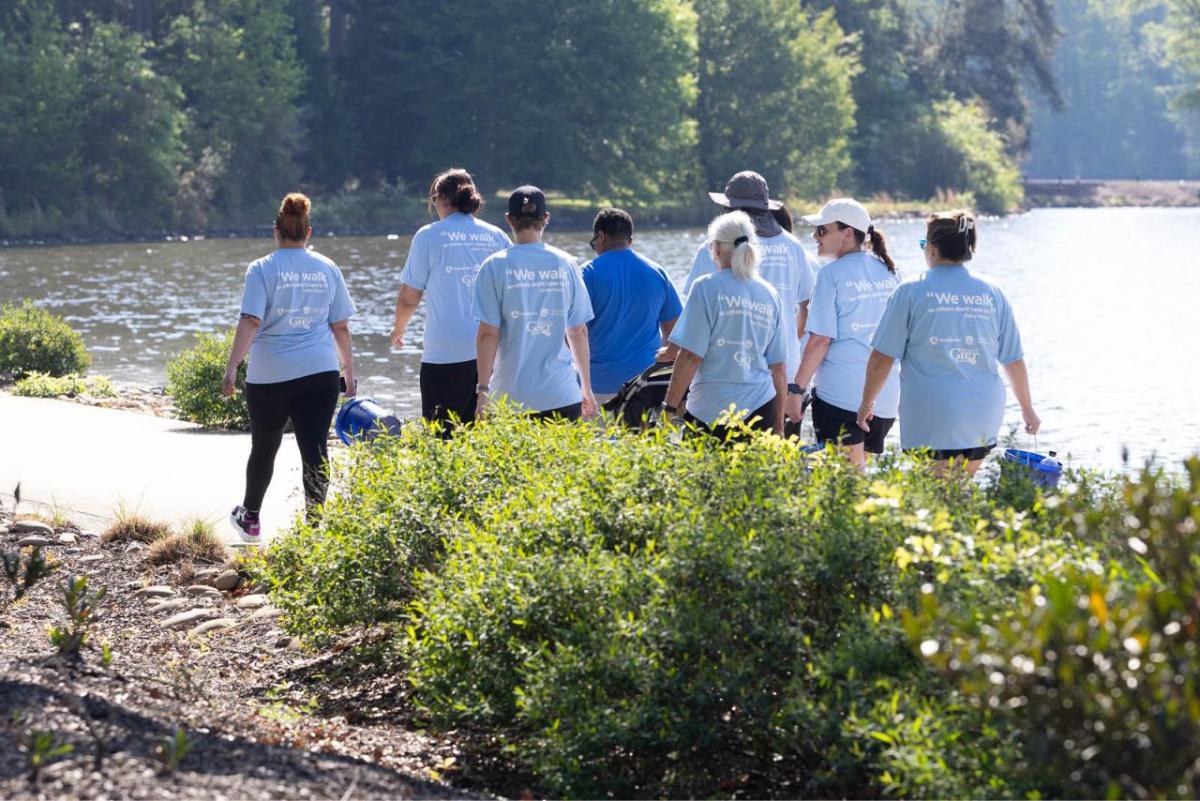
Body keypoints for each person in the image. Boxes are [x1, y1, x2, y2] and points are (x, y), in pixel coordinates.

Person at [857, 210, 1041, 476]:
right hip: (982, 413)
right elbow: (1013, 359)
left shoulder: (910, 291)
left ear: (931, 248)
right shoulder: (992, 292)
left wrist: (866, 404)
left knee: (935, 499)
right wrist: (1027, 409)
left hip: (931, 414)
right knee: (961, 491)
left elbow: (882, 357)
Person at [222, 193, 356, 541]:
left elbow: (251, 320)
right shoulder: (327, 267)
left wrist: (233, 366)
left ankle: (250, 519)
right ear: (308, 232)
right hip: (320, 373)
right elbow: (339, 325)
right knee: (315, 449)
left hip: (270, 375)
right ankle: (313, 529)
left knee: (264, 446)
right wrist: (349, 371)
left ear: (275, 231)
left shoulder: (262, 268)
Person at [682, 171, 816, 421]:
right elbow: (807, 308)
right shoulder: (793, 246)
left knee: (718, 456)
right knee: (777, 456)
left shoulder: (713, 247)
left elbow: (693, 313)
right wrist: (786, 338)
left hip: (729, 375)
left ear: (729, 210)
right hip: (784, 370)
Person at [390, 168, 510, 427]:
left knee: (441, 437)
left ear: (442, 200)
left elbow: (410, 297)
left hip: (444, 354)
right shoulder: (496, 236)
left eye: (434, 199)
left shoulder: (428, 236)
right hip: (491, 353)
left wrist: (398, 329)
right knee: (484, 441)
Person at [790, 198, 900, 467]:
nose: (815, 237)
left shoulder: (831, 274)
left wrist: (795, 390)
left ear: (848, 233)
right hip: (885, 398)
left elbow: (820, 341)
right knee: (861, 480)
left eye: (823, 230)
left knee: (846, 486)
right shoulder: (891, 271)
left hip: (842, 399)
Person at [473, 185, 598, 421]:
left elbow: (488, 334)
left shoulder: (493, 266)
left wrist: (482, 391)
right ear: (546, 219)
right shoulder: (566, 263)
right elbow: (578, 331)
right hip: (561, 395)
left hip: (508, 399)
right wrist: (586, 388)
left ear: (509, 219)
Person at [661, 211, 788, 440]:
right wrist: (779, 426)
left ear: (717, 247)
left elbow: (690, 356)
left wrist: (669, 409)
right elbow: (778, 368)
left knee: (705, 477)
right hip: (760, 410)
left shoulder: (705, 288)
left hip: (710, 411)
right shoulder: (770, 293)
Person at [581, 208, 682, 404]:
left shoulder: (587, 274)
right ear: (630, 240)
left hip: (598, 385)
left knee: (595, 435)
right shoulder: (657, 273)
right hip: (645, 384)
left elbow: (574, 332)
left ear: (600, 236)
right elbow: (675, 332)